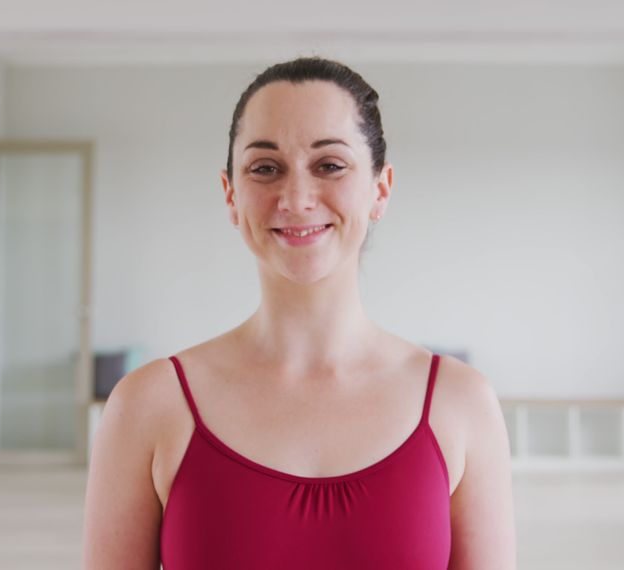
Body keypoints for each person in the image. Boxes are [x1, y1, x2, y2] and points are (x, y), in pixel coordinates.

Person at [83, 57, 516, 569]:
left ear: (380, 188)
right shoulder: (148, 406)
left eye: (330, 165)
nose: (295, 198)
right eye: (265, 169)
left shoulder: (460, 403)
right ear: (231, 194)